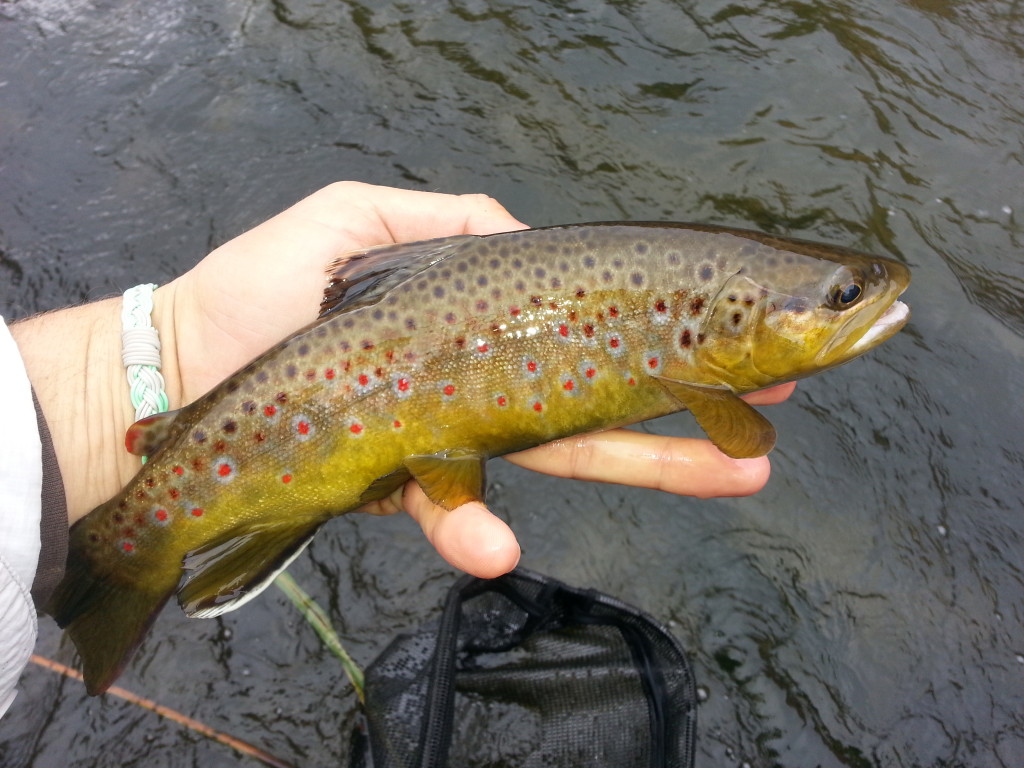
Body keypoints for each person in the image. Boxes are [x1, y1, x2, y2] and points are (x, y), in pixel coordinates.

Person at [0, 181, 793, 716]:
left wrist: (142, 360)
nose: (862, 303)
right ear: (727, 317)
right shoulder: (703, 344)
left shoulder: (695, 336)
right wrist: (164, 354)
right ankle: (117, 560)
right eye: (841, 299)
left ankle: (111, 562)